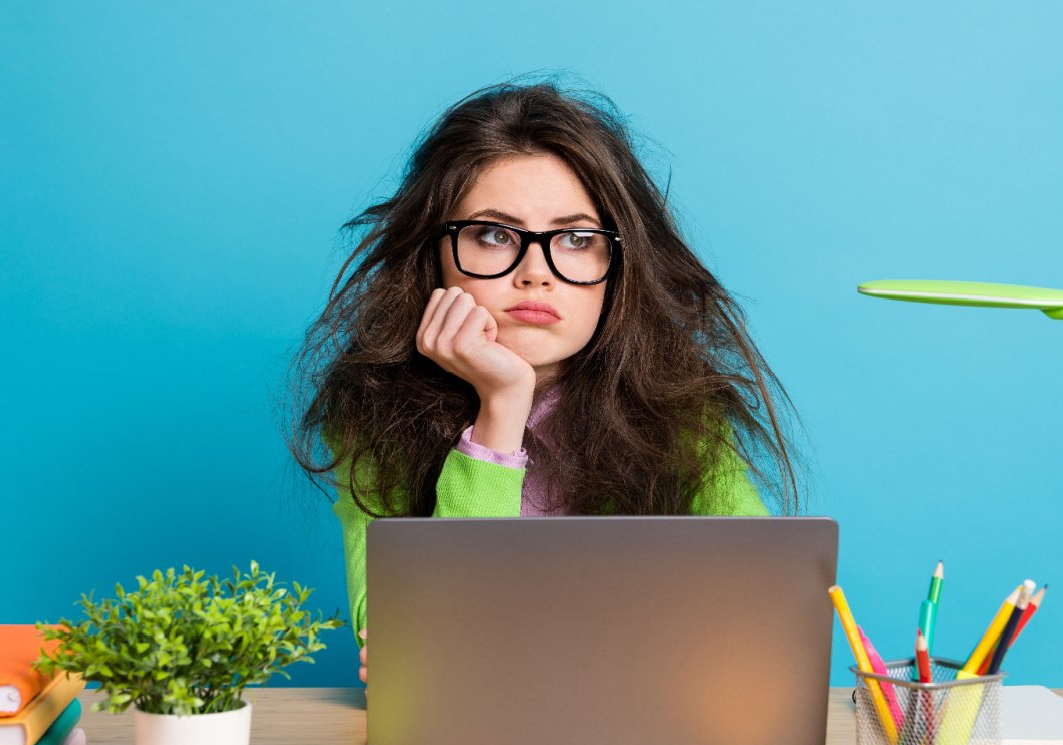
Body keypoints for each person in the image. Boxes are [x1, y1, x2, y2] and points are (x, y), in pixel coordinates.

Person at [288, 80, 800, 683]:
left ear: (618, 266)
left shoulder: (687, 417)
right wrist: (500, 410)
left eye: (577, 240)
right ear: (435, 255)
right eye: (494, 235)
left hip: (649, 744)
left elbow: (766, 617)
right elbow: (420, 662)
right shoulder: (372, 416)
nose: (536, 274)